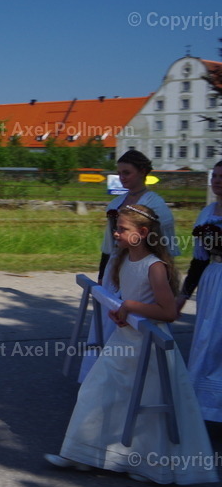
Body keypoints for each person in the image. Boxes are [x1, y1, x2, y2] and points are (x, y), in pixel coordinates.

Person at [46, 204, 217, 485]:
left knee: (148, 406)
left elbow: (168, 312)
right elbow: (128, 300)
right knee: (96, 391)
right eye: (117, 228)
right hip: (124, 340)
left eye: (123, 229)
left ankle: (148, 463)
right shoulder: (124, 260)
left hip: (150, 347)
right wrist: (121, 310)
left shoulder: (155, 267)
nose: (116, 233)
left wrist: (130, 306)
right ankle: (81, 453)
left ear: (143, 233)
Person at [79, 150, 179, 382]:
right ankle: (102, 376)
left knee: (133, 321)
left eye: (127, 173)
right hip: (116, 267)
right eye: (120, 173)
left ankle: (131, 377)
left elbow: (165, 245)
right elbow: (108, 243)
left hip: (141, 266)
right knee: (109, 317)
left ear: (142, 172)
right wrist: (102, 274)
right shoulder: (116, 203)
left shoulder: (156, 205)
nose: (122, 178)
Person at [178, 160, 222, 421]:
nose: (217, 181)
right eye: (215, 176)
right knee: (207, 339)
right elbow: (198, 260)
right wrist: (183, 294)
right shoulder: (206, 213)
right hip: (212, 279)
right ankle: (205, 406)